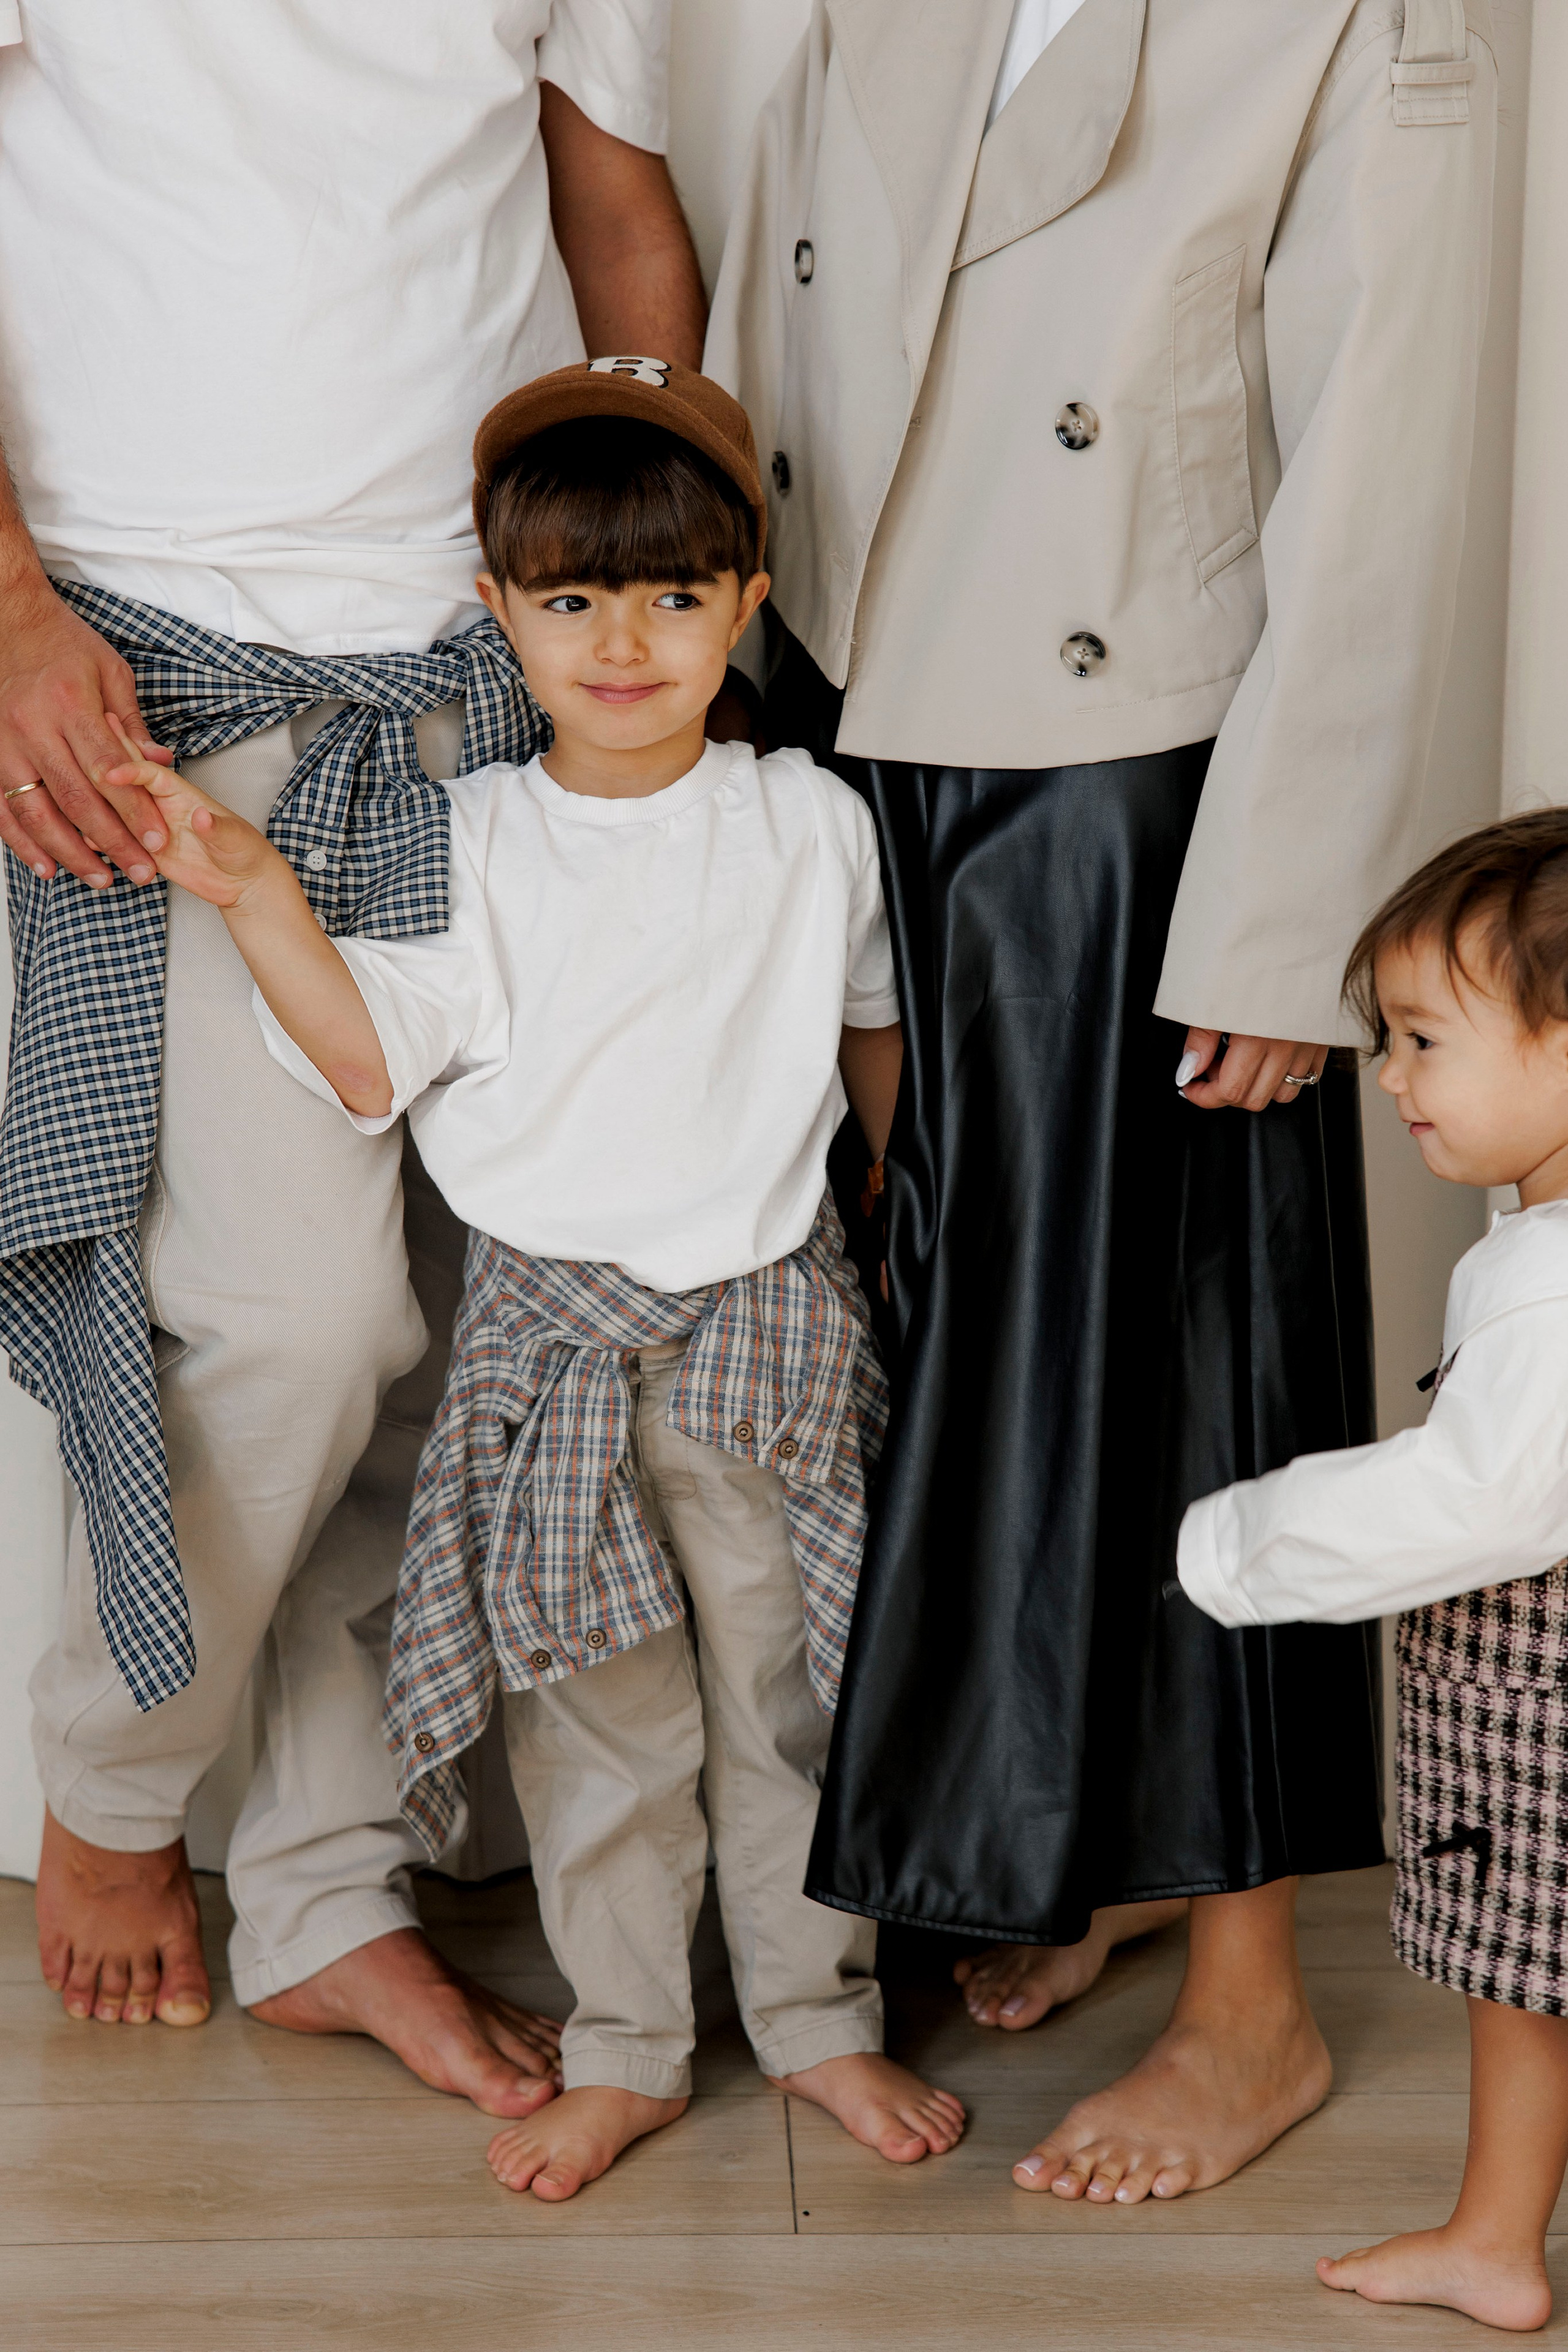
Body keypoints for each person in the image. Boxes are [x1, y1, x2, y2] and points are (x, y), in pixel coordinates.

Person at [705, 0, 1498, 2200]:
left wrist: (1286, 903)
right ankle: (1081, 1847)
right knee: (928, 1344)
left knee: (1193, 1370)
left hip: (1137, 769)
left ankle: (1255, 2015)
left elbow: (1381, 440)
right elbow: (809, 322)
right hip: (852, 719)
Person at [89, 359, 967, 2199]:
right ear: (498, 616)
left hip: (775, 1339)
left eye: (671, 593)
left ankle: (820, 2023)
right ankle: (638, 2043)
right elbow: (361, 1057)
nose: (623, 638)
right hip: (553, 1360)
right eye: (570, 598)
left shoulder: (813, 822)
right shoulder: (472, 839)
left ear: (748, 603)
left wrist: (919, 1244)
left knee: (799, 1697)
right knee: (602, 1723)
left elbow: (877, 1053)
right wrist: (252, 887)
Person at [0, 2, 705, 2111]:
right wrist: (8, 607)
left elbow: (622, 235)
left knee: (471, 1324)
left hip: (491, 671)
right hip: (151, 675)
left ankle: (324, 1895)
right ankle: (117, 1792)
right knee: (297, 1320)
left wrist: (652, 623)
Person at [1180, 811, 1568, 2335]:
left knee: (1523, 1989)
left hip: (1534, 1711)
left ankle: (1492, 2236)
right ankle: (1490, 2237)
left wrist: (1235, 1541)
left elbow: (1474, 1502)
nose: (1390, 1076)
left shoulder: (1549, 1292)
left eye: (1419, 1040)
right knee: (1522, 1991)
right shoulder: (1530, 1238)